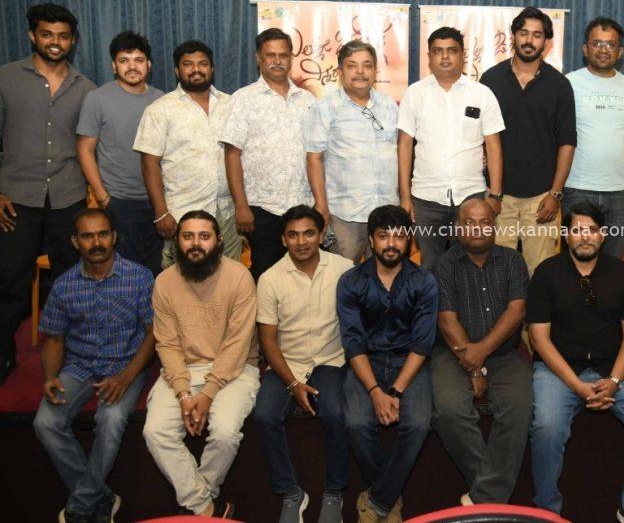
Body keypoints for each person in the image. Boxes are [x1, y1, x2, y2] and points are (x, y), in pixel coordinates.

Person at [527, 201, 624, 523]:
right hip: (559, 369)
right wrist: (576, 385)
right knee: (546, 427)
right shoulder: (546, 273)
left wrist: (614, 381)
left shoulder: (620, 273)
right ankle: (546, 511)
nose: (584, 236)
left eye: (591, 230)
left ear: (603, 235)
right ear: (566, 236)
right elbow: (539, 338)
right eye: (577, 230)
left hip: (613, 367)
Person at [33, 209, 156, 523]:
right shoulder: (64, 285)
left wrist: (126, 377)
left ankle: (81, 506)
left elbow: (154, 334)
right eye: (87, 236)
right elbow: (54, 339)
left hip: (126, 364)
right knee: (45, 422)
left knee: (111, 419)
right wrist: (50, 376)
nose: (97, 242)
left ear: (113, 237)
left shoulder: (140, 277)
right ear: (76, 242)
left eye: (102, 234)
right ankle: (99, 498)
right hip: (80, 365)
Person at [0, 3, 96, 382]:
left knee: (71, 280)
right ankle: (3, 353)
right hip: (15, 199)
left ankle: (73, 353)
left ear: (72, 41)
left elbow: (91, 146)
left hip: (68, 197)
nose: (55, 42)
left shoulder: (85, 88)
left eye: (63, 36)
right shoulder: (6, 78)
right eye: (47, 34)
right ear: (32, 36)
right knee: (10, 281)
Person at [142, 210, 260, 518]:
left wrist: (207, 394)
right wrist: (183, 394)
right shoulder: (164, 282)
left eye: (204, 236)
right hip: (182, 369)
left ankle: (199, 502)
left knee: (224, 433)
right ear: (177, 242)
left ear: (219, 241)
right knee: (155, 431)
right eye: (188, 236)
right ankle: (206, 507)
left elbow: (237, 345)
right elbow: (167, 345)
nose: (196, 244)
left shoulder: (239, 277)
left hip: (235, 370)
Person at [253, 205, 353, 523]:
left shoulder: (344, 269)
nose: (301, 241)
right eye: (293, 235)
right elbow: (268, 341)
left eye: (309, 233)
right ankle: (290, 492)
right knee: (264, 415)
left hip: (331, 359)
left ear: (321, 235)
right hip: (287, 361)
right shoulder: (269, 279)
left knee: (336, 413)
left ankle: (334, 491)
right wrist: (293, 384)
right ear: (283, 240)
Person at [338, 205, 437, 522]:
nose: (391, 244)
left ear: (409, 240)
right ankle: (389, 497)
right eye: (383, 236)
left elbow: (422, 343)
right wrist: (374, 391)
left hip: (410, 362)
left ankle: (379, 501)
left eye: (399, 236)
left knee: (418, 423)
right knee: (356, 422)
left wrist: (394, 391)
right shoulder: (351, 281)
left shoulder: (424, 281)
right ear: (371, 240)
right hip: (365, 361)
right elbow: (353, 343)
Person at [431, 198, 531, 506]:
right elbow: (447, 320)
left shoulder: (513, 260)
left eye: (485, 223)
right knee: (449, 411)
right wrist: (474, 367)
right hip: (452, 353)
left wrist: (482, 354)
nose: (477, 229)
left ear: (494, 226)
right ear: (457, 227)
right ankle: (494, 495)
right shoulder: (443, 265)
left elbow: (516, 311)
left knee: (519, 407)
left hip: (504, 354)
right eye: (470, 223)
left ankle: (485, 497)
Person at [398, 26, 504, 269]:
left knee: (471, 265)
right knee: (429, 267)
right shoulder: (414, 94)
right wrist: (404, 198)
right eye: (438, 51)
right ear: (429, 57)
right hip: (426, 198)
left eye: (451, 51)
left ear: (462, 55)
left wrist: (495, 195)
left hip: (471, 196)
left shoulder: (482, 94)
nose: (445, 57)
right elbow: (404, 145)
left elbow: (494, 146)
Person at [480, 7, 576, 274]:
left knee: (541, 272)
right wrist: (493, 194)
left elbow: (567, 142)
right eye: (523, 33)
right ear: (513, 35)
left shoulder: (559, 85)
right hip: (499, 197)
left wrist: (555, 194)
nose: (529, 40)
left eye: (537, 35)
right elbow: (480, 137)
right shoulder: (490, 80)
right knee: (497, 271)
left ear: (547, 41)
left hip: (541, 198)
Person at [133, 40, 242, 268]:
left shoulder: (231, 104)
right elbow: (149, 163)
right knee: (182, 278)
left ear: (212, 68)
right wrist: (161, 213)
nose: (196, 69)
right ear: (177, 71)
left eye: (202, 64)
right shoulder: (160, 109)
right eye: (188, 64)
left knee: (230, 276)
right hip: (182, 212)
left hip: (227, 213)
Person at [221, 28, 316, 281]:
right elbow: (232, 155)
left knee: (303, 277)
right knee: (266, 278)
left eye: (283, 55)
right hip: (261, 209)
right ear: (258, 58)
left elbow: (317, 155)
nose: (277, 61)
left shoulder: (307, 100)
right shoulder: (243, 99)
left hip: (302, 206)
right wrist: (241, 206)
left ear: (291, 57)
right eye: (270, 55)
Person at [76, 31, 166, 277]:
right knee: (125, 273)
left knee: (159, 271)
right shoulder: (97, 99)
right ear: (114, 66)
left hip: (160, 201)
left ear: (149, 64)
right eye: (124, 60)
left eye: (139, 60)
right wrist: (103, 197)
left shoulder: (162, 100)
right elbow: (85, 150)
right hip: (120, 202)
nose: (132, 66)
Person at [304, 40, 399, 264]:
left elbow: (401, 152)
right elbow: (314, 158)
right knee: (342, 275)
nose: (360, 72)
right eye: (352, 65)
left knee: (385, 274)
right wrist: (321, 205)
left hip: (386, 210)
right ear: (340, 72)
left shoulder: (389, 105)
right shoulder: (324, 108)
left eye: (367, 65)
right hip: (345, 213)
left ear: (375, 71)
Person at [562, 16, 624, 258]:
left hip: (619, 192)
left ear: (620, 51)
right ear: (585, 49)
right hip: (577, 188)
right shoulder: (569, 83)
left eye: (610, 44)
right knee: (575, 260)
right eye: (597, 43)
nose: (603, 50)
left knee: (613, 263)